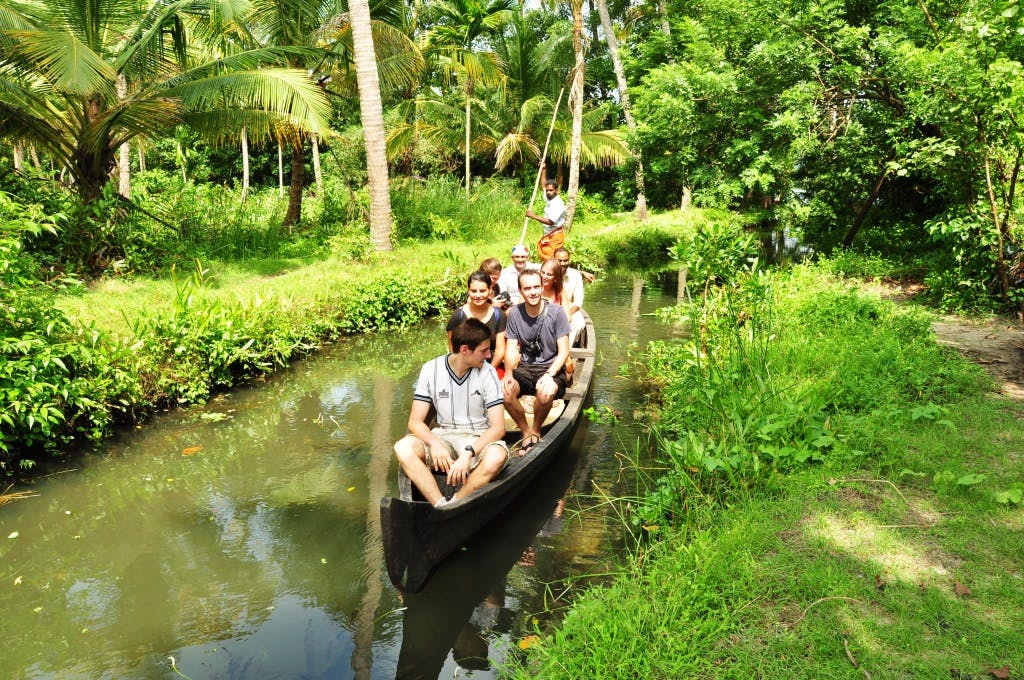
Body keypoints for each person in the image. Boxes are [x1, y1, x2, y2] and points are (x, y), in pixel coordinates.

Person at [394, 318, 509, 507]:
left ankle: (456, 502)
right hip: (444, 436)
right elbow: (415, 422)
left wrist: (468, 454)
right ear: (464, 349)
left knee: (497, 456)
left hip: (478, 438)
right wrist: (435, 443)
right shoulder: (431, 369)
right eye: (483, 350)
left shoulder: (488, 373)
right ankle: (439, 504)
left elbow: (498, 428)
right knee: (403, 448)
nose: (489, 355)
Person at [503, 270, 571, 452]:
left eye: (536, 287)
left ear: (542, 287)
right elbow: (510, 348)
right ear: (520, 291)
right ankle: (526, 431)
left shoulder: (557, 313)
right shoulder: (515, 314)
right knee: (505, 392)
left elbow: (564, 351)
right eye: (527, 288)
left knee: (546, 392)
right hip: (525, 368)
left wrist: (550, 375)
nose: (532, 292)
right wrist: (508, 373)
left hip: (552, 367)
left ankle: (537, 430)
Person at [447, 270, 507, 377]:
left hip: (492, 365)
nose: (478, 295)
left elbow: (500, 349)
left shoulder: (499, 315)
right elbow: (453, 349)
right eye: (474, 291)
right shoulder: (458, 316)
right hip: (465, 367)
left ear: (490, 291)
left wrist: (489, 371)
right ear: (468, 291)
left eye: (482, 291)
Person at [525, 165, 566, 260]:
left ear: (556, 191)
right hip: (548, 235)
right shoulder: (549, 198)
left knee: (553, 261)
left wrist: (533, 216)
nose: (548, 192)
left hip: (555, 236)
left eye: (551, 190)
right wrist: (543, 169)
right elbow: (543, 185)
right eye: (547, 190)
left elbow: (550, 221)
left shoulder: (558, 204)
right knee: (547, 260)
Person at [553, 247, 586, 341]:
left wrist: (566, 316)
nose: (563, 263)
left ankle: (567, 349)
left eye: (565, 260)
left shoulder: (575, 275)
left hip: (568, 308)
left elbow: (578, 303)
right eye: (559, 260)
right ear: (553, 260)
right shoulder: (547, 272)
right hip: (550, 306)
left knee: (579, 323)